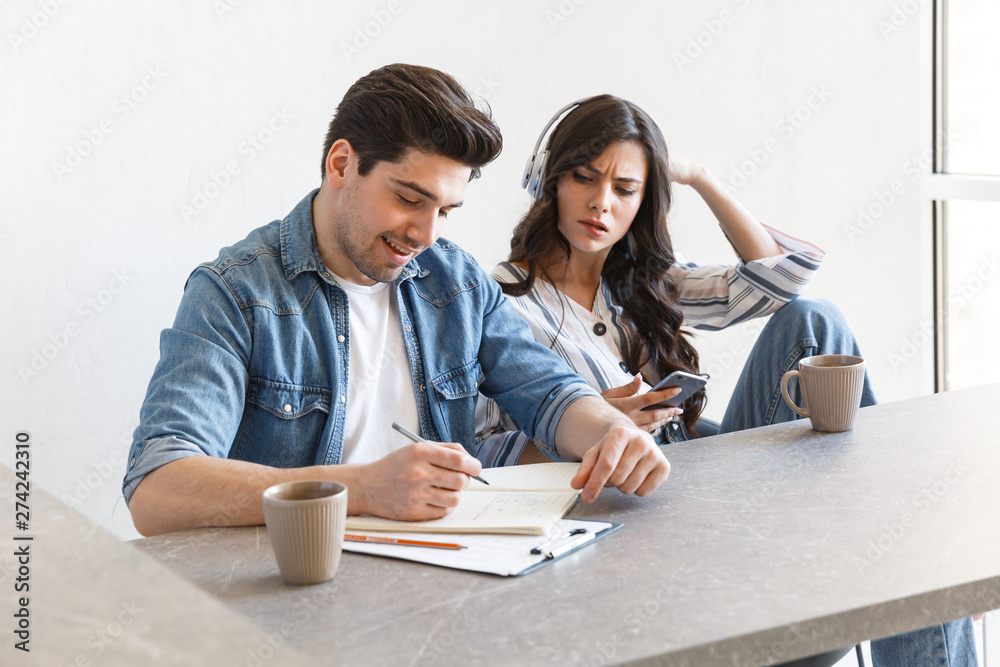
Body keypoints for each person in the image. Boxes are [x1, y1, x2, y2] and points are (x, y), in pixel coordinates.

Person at [474, 94, 977, 667]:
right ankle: (872, 506)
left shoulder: (642, 281)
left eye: (625, 189)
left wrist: (699, 177)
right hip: (635, 506)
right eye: (583, 178)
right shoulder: (504, 302)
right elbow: (486, 446)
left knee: (816, 321)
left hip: (706, 471)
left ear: (645, 200)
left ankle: (872, 502)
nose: (600, 203)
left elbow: (779, 281)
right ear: (549, 180)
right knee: (900, 522)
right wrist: (590, 428)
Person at [122, 66, 670, 538]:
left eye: (446, 210)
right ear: (341, 165)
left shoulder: (451, 279)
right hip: (297, 589)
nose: (427, 234)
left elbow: (549, 391)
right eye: (410, 199)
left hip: (446, 573)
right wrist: (358, 488)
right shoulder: (236, 293)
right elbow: (157, 489)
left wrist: (609, 433)